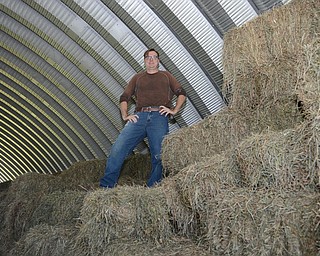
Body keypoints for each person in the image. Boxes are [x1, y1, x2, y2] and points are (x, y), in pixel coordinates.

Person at [100, 48, 186, 188]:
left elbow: (181, 92)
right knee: (118, 148)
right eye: (148, 57)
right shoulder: (137, 78)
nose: (151, 59)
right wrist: (125, 115)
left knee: (159, 154)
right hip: (139, 117)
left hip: (159, 116)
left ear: (158, 60)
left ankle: (152, 188)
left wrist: (175, 110)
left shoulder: (166, 76)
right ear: (145, 61)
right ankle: (106, 187)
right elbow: (124, 97)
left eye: (154, 57)